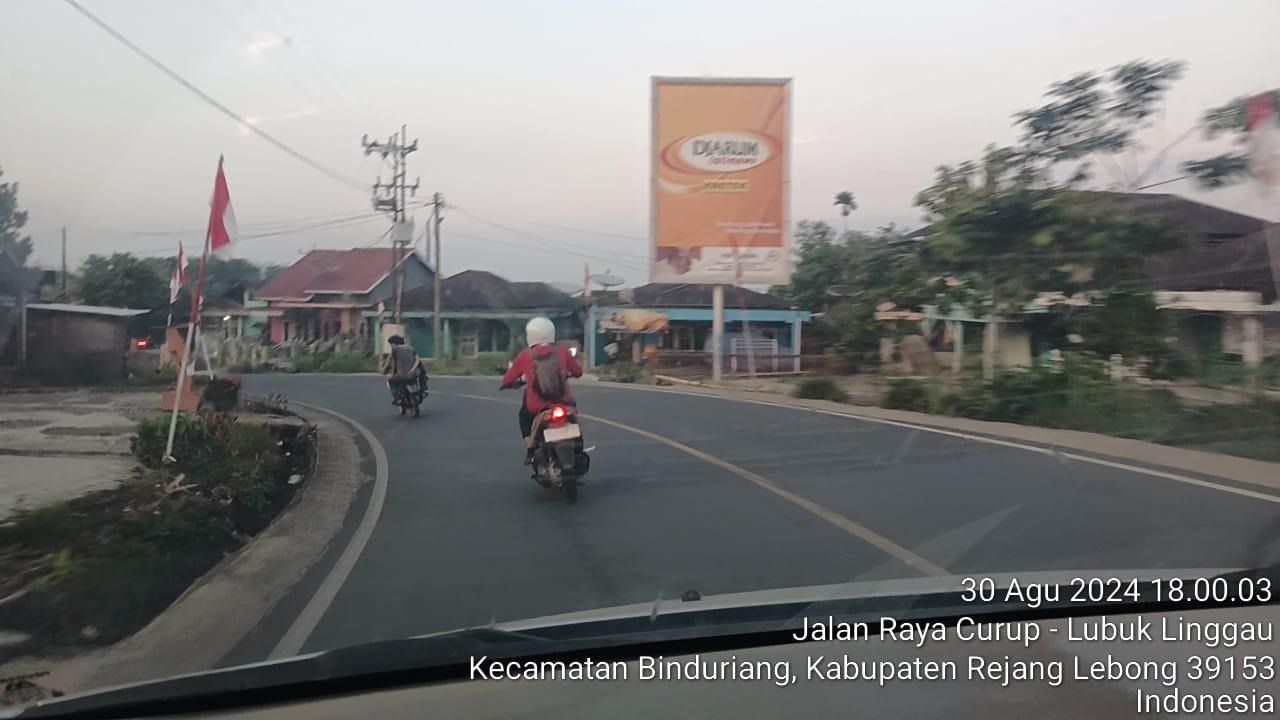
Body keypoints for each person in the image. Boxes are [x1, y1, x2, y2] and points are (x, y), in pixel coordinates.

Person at [500, 316, 582, 464]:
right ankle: (578, 446)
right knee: (573, 411)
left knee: (524, 417)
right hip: (563, 403)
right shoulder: (563, 351)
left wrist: (517, 382)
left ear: (530, 336)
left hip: (537, 406)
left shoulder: (525, 355)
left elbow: (507, 380)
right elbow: (578, 372)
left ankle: (530, 450)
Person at [383, 335, 426, 404]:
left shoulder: (394, 350)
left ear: (393, 344)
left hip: (402, 376)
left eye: (391, 344)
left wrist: (391, 373)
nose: (391, 346)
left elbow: (393, 363)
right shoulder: (410, 348)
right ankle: (423, 391)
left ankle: (398, 399)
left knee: (391, 381)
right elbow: (417, 359)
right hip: (414, 375)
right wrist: (413, 369)